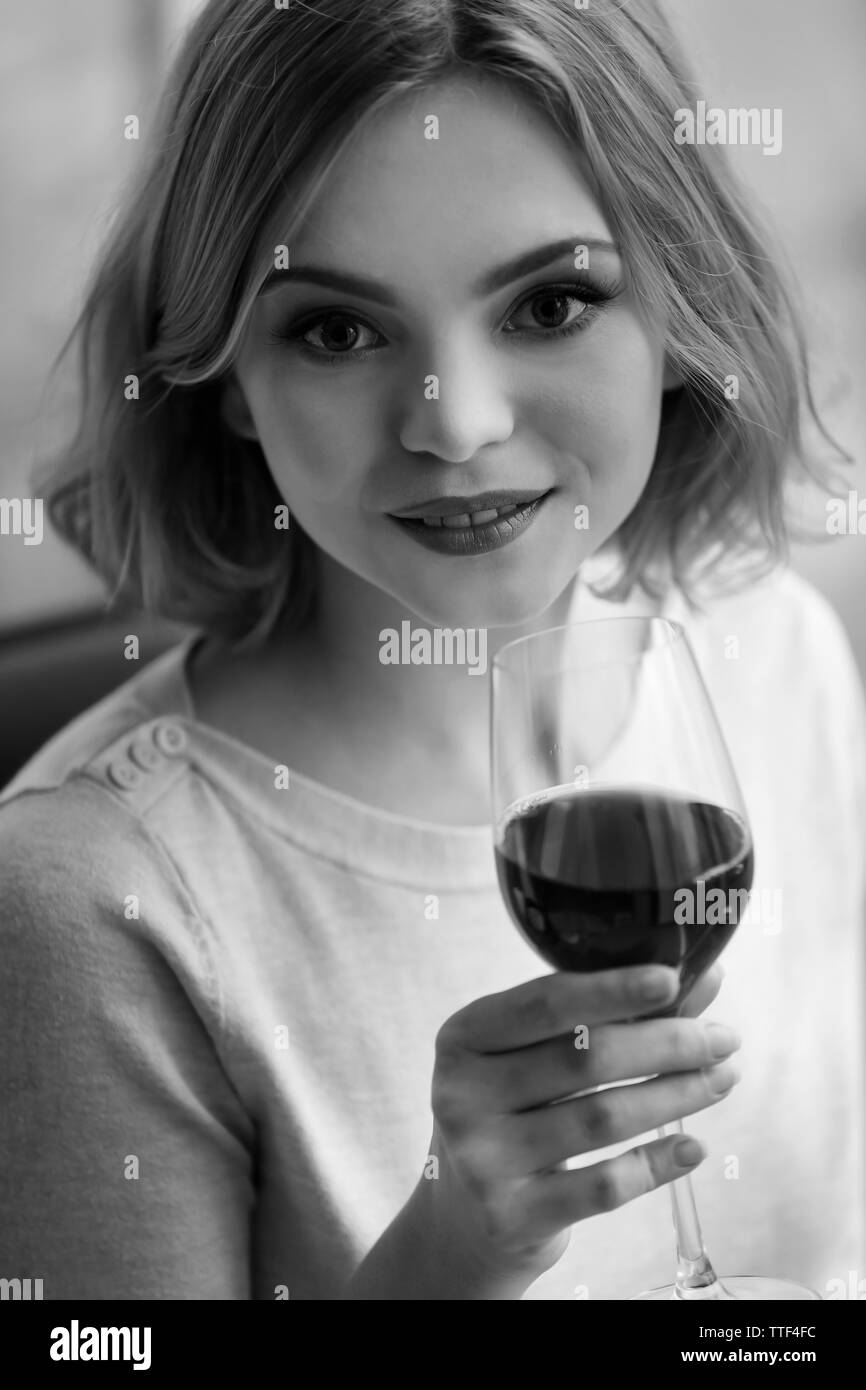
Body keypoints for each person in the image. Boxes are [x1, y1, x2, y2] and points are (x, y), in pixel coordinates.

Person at [1, 0, 863, 1301]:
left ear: (679, 307)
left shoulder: (768, 642)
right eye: (338, 332)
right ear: (230, 377)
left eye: (550, 302)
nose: (454, 423)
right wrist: (453, 1245)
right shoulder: (86, 899)